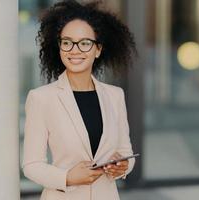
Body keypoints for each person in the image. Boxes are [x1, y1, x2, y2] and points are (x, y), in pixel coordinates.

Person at [21, 1, 137, 199]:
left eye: (84, 43)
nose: (75, 50)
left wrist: (123, 167)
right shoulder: (41, 98)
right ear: (59, 47)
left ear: (97, 49)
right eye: (67, 42)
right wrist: (67, 177)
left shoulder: (115, 95)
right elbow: (31, 165)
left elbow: (125, 152)